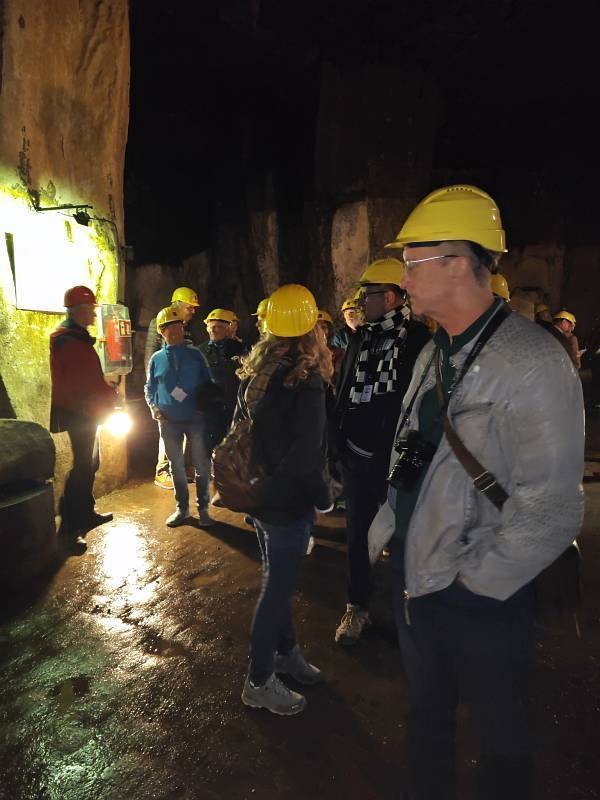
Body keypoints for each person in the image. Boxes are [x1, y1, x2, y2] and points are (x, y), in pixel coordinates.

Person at [370, 184, 584, 800]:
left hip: (481, 594)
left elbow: (552, 508)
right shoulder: (432, 353)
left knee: (500, 740)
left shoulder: (534, 362)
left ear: (459, 264)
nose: (402, 279)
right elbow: (409, 455)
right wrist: (389, 530)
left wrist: (475, 584)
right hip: (416, 575)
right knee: (425, 719)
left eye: (413, 263)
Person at [238, 284, 333, 716]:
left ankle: (285, 653)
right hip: (286, 503)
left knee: (275, 582)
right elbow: (307, 456)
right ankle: (258, 681)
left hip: (259, 495)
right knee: (276, 591)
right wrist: (323, 501)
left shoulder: (261, 371)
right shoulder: (306, 381)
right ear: (313, 329)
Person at [332, 259, 431, 645]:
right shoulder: (360, 338)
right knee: (357, 534)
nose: (361, 303)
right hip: (357, 457)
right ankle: (357, 606)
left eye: (368, 295)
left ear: (389, 297)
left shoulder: (418, 340)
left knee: (405, 535)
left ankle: (412, 609)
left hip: (397, 460)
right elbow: (344, 391)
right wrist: (337, 445)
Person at [50, 285, 117, 550]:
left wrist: (104, 392)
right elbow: (82, 383)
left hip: (86, 410)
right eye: (91, 310)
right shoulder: (68, 340)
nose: (94, 315)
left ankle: (86, 513)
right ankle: (69, 529)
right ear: (79, 311)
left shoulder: (76, 337)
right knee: (82, 467)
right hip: (79, 412)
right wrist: (108, 393)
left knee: (91, 462)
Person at [144, 306, 215, 528]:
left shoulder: (196, 355)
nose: (175, 331)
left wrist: (206, 406)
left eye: (178, 327)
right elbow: (149, 387)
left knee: (201, 466)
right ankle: (182, 509)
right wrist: (153, 407)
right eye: (170, 328)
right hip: (168, 421)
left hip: (195, 419)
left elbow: (209, 383)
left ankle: (203, 509)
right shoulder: (156, 359)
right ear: (161, 332)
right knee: (176, 467)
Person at [145, 287, 201, 490]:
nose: (193, 311)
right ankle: (162, 471)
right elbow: (150, 356)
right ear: (177, 304)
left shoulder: (187, 328)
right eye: (190, 307)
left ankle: (180, 467)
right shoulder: (159, 322)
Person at [198, 308, 246, 453]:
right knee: (208, 444)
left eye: (218, 327)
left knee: (234, 444)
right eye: (210, 326)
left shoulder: (240, 349)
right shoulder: (199, 351)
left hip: (233, 405)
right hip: (210, 407)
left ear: (227, 328)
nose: (213, 330)